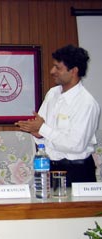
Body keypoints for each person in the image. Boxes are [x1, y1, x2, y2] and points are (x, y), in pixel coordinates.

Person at [15, 44, 100, 186]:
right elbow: (41, 129)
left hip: (77, 172)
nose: (52, 71)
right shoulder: (52, 93)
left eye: (58, 68)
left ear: (73, 71)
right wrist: (37, 133)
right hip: (50, 168)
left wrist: (43, 129)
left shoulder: (87, 104)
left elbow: (76, 145)